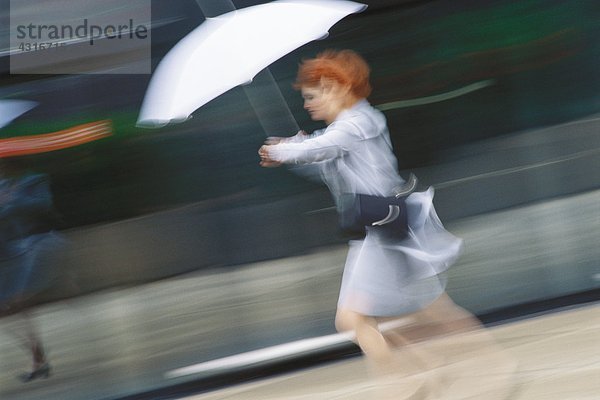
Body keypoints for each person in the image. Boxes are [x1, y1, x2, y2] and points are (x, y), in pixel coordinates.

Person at [259, 50, 513, 398]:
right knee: (413, 313)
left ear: (335, 87)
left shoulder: (358, 122)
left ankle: (417, 379)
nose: (307, 105)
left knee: (371, 317)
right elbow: (324, 163)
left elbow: (325, 148)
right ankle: (426, 375)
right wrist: (293, 150)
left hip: (384, 229)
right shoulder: (345, 128)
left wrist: (285, 149)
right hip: (378, 231)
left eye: (311, 96)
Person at [0, 157, 64, 382]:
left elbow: (42, 206)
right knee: (13, 307)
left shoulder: (34, 181)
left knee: (18, 301)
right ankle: (39, 359)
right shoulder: (3, 187)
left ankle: (40, 359)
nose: (3, 170)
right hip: (15, 251)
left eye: (5, 164)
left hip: (41, 243)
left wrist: (13, 200)